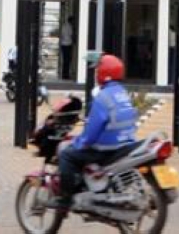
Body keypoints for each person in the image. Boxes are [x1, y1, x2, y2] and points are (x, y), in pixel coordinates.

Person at [55, 54, 138, 210]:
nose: (95, 73)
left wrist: (79, 142)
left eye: (97, 70)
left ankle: (65, 199)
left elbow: (91, 132)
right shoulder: (123, 94)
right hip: (125, 144)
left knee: (67, 154)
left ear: (103, 72)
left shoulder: (103, 97)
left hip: (106, 148)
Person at [60, 16, 74, 80]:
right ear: (71, 21)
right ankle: (66, 75)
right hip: (68, 44)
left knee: (65, 60)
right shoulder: (70, 27)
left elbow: (61, 35)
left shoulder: (64, 26)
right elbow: (71, 35)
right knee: (68, 61)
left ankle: (64, 75)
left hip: (63, 44)